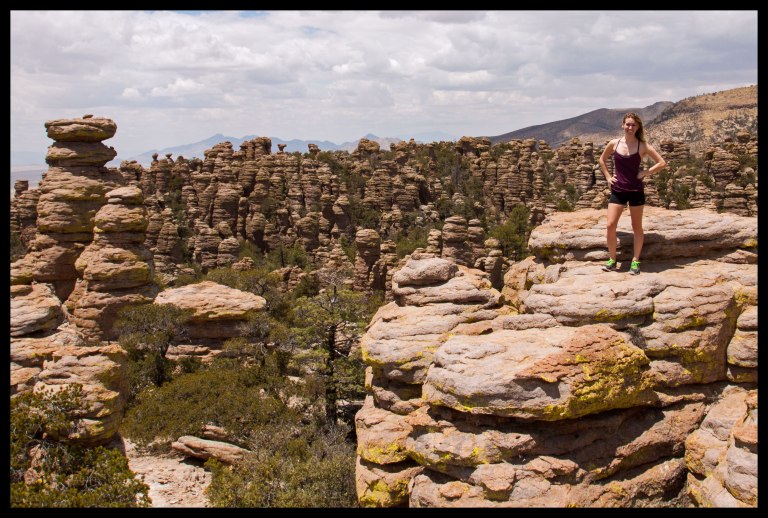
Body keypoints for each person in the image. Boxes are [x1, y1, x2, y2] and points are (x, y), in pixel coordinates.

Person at [598, 112, 666, 275]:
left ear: (638, 127)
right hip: (618, 190)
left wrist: (645, 173)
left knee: (636, 227)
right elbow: (602, 160)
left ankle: (635, 261)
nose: (630, 127)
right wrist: (608, 177)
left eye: (633, 125)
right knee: (610, 225)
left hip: (636, 191)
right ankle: (612, 259)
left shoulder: (642, 145)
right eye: (628, 124)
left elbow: (662, 163)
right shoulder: (614, 143)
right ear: (622, 125)